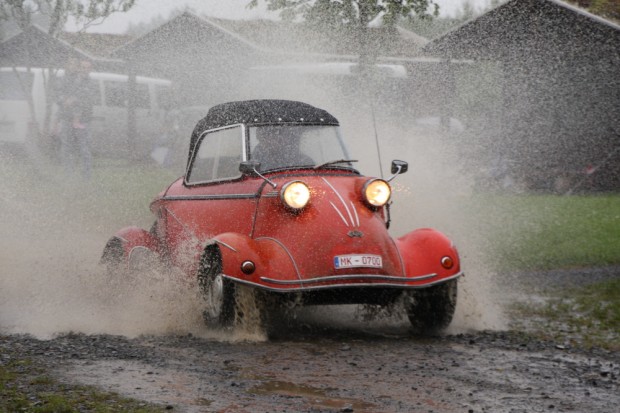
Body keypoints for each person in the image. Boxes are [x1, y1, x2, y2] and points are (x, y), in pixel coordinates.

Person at [56, 58, 95, 179]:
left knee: (84, 148)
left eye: (87, 68)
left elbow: (88, 100)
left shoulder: (91, 83)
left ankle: (86, 176)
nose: (84, 70)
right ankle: (68, 174)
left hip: (83, 121)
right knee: (66, 148)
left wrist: (75, 100)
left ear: (90, 69)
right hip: (67, 120)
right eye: (82, 67)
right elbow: (60, 96)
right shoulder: (70, 81)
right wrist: (64, 101)